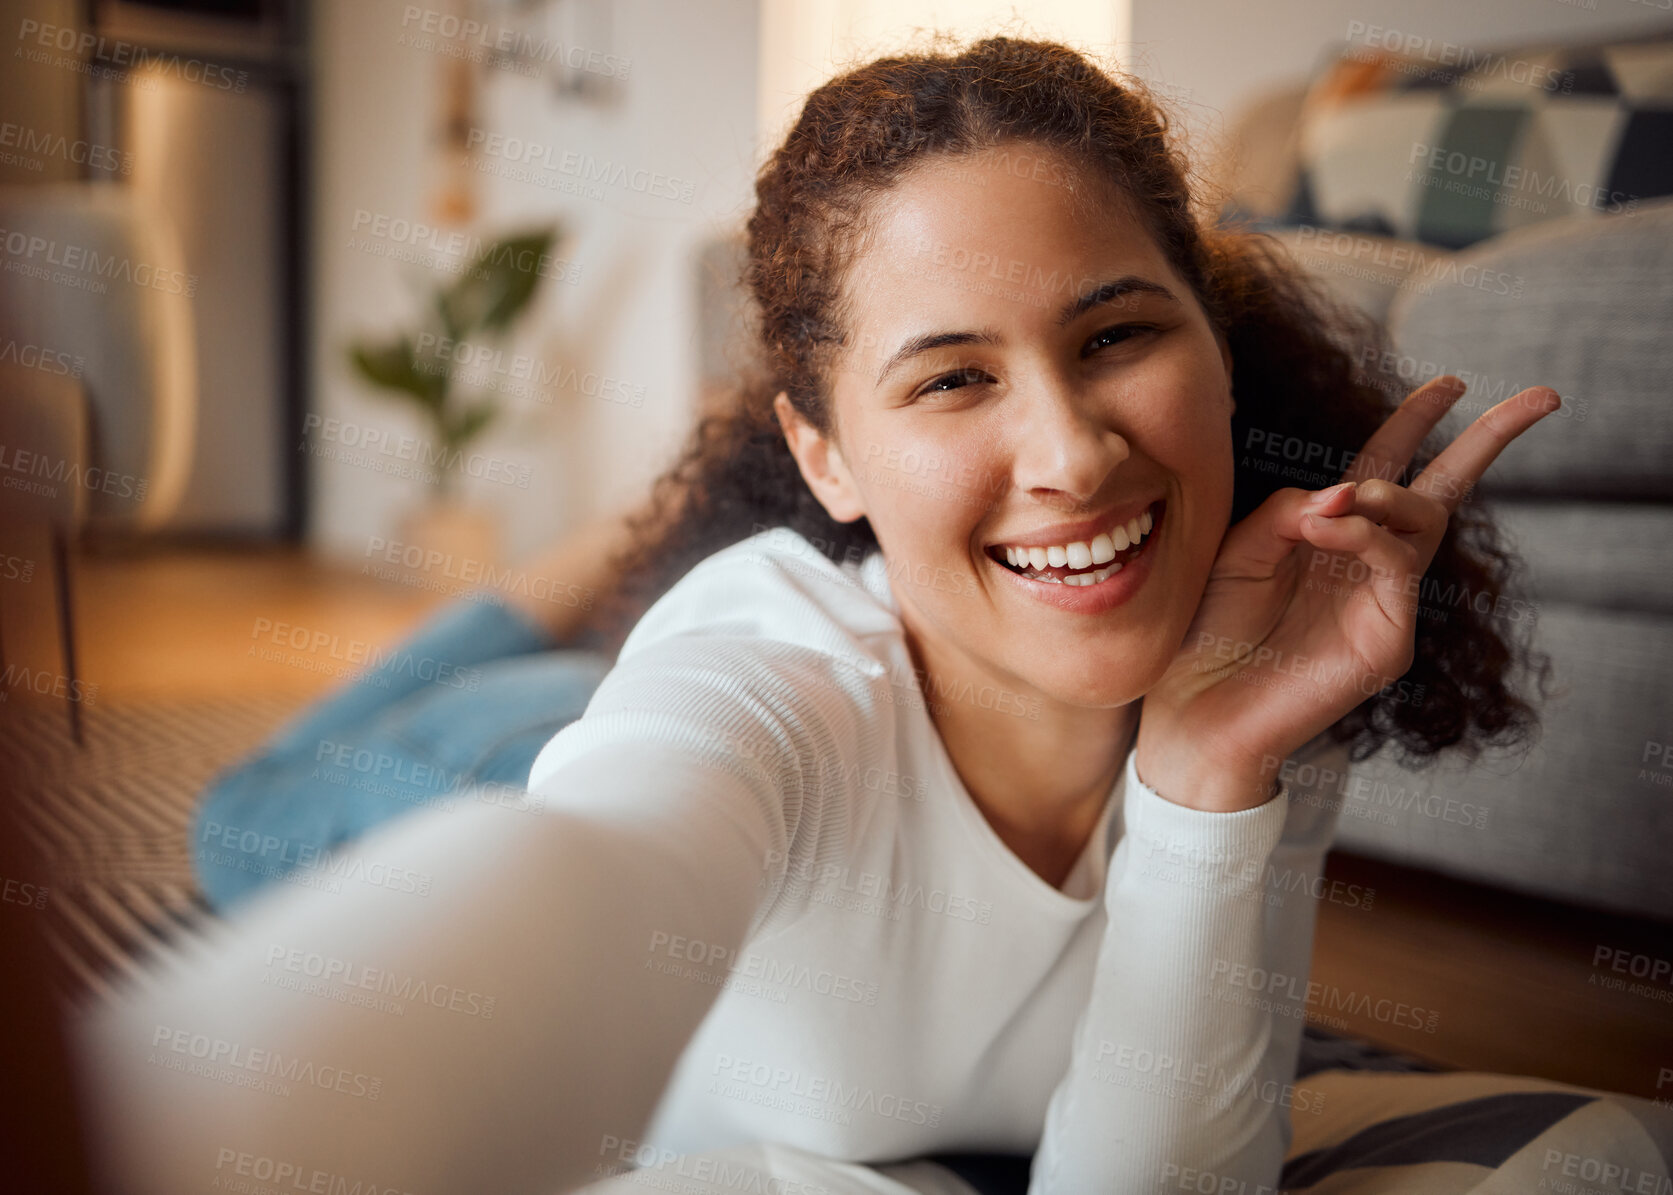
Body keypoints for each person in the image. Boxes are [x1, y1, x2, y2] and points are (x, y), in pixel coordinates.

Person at [70, 34, 1594, 1195]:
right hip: (527, 753)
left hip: (815, 639)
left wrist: (1206, 774)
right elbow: (593, 866)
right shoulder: (752, 693)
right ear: (820, 452)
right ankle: (547, 594)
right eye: (949, 376)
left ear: (1215, 343)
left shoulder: (1247, 675)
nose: (1071, 455)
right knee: (254, 809)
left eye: (1117, 334)